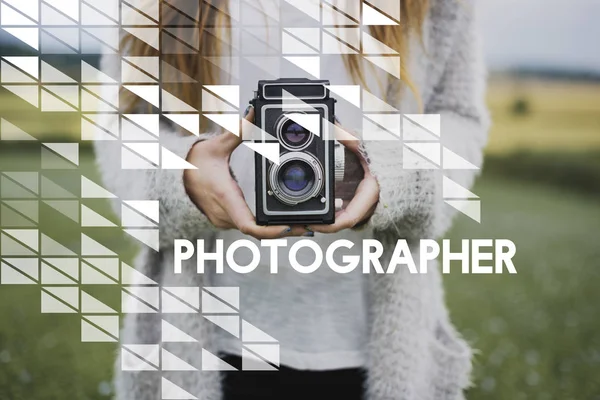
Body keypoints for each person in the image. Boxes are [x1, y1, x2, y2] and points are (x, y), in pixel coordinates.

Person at [94, 0, 490, 399]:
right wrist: (180, 177)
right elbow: (122, 129)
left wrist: (398, 175)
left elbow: (458, 119)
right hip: (203, 337)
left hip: (375, 340)